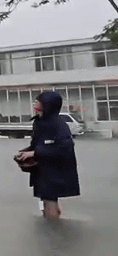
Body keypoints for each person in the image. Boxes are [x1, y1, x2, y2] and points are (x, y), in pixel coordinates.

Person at [14, 91, 80, 220]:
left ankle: (54, 229)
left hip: (55, 171)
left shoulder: (58, 124)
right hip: (43, 169)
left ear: (48, 105)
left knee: (49, 200)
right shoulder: (40, 121)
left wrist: (35, 153)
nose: (35, 105)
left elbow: (65, 147)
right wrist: (26, 152)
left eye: (38, 102)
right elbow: (38, 143)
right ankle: (52, 227)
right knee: (46, 199)